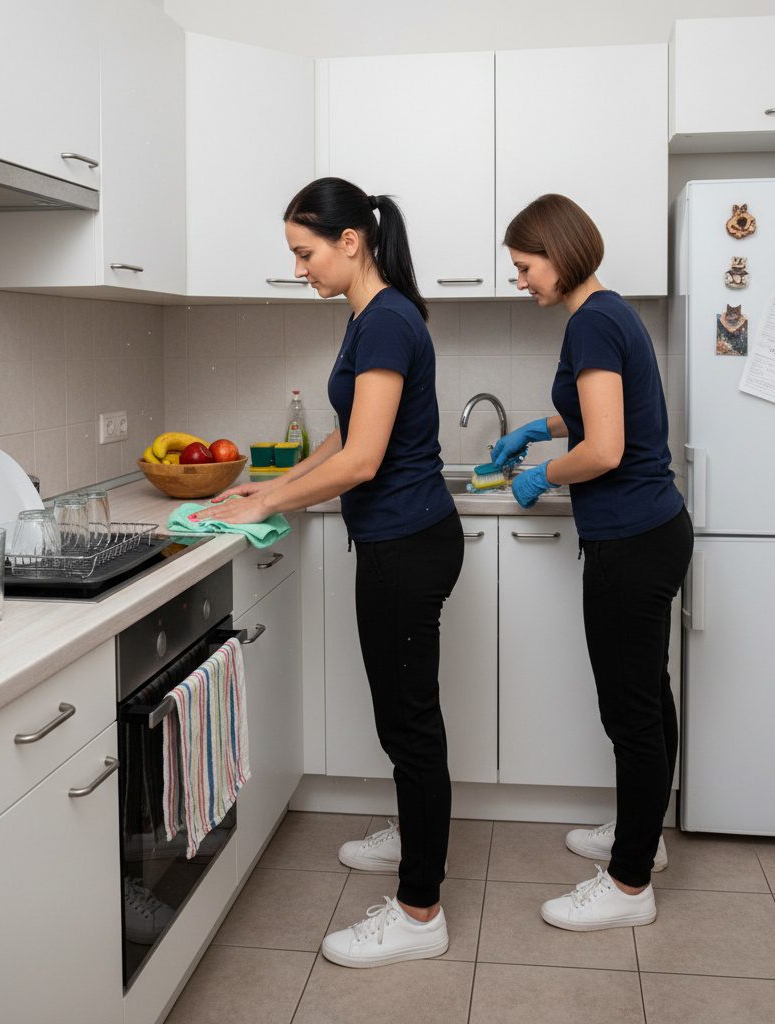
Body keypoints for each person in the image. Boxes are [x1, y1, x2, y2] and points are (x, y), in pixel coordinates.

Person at [192, 177, 463, 966]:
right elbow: (342, 436)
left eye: (305, 253)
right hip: (399, 540)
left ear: (351, 242)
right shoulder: (369, 318)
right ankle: (414, 839)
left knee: (410, 724)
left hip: (407, 546)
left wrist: (265, 503)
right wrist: (266, 491)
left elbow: (364, 460)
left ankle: (420, 912)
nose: (300, 268)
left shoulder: (384, 323)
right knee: (400, 717)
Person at [492, 193, 693, 931]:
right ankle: (645, 837)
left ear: (559, 251)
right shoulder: (608, 314)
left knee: (630, 712)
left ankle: (629, 885)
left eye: (524, 266)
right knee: (648, 699)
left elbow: (605, 448)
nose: (521, 281)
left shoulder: (594, 320)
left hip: (632, 540)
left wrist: (545, 473)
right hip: (650, 530)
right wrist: (539, 433)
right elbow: (599, 415)